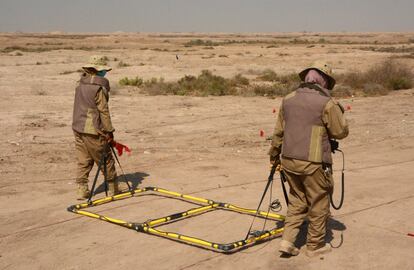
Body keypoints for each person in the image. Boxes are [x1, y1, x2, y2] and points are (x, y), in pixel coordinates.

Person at [268, 61, 349, 257]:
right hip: (313, 163)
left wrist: (274, 157)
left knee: (297, 200)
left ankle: (287, 241)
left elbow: (278, 132)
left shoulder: (288, 99)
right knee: (319, 203)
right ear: (325, 81)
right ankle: (315, 245)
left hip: (288, 159)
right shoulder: (326, 102)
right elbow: (340, 132)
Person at [72, 55, 124, 200]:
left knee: (84, 159)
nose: (105, 73)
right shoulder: (98, 87)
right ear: (97, 70)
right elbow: (103, 111)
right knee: (106, 158)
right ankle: (113, 188)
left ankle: (81, 190)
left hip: (78, 126)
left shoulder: (80, 83)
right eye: (103, 70)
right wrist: (109, 131)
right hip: (93, 129)